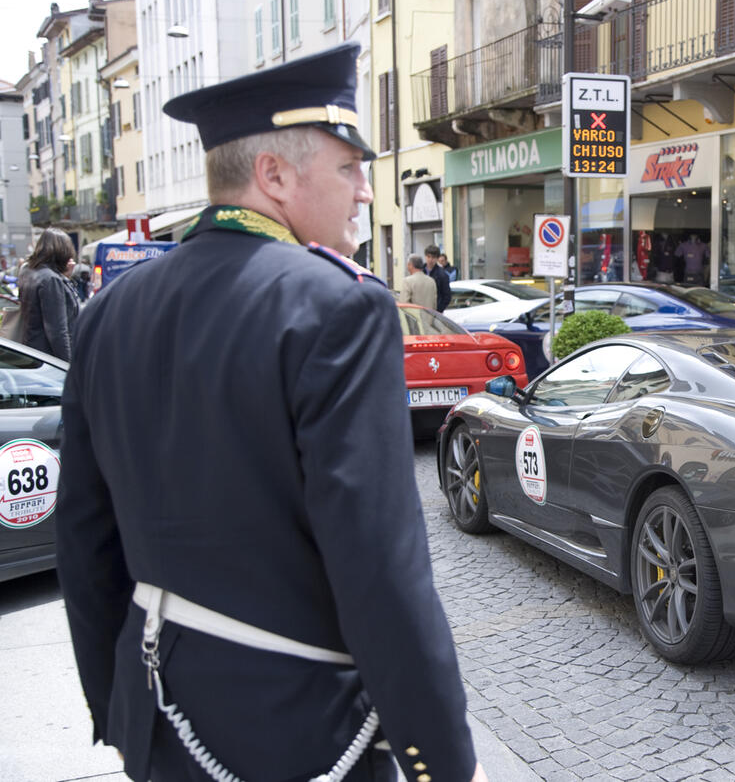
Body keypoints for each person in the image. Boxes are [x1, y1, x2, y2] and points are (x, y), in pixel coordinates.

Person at [56, 42, 486, 782]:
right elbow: (381, 566)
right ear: (274, 175)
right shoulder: (337, 306)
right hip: (303, 733)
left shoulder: (108, 312)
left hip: (159, 721)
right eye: (349, 168)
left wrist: (120, 706)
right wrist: (441, 761)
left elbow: (85, 540)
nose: (363, 193)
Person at [18, 226, 79, 360]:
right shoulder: (51, 279)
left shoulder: (27, 271)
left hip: (31, 351)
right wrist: (69, 366)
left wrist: (64, 276)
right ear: (63, 251)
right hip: (49, 359)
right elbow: (58, 332)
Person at [425, 245, 451, 312]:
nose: (430, 260)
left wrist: (438, 310)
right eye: (428, 257)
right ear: (425, 256)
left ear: (437, 259)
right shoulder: (420, 271)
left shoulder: (442, 275)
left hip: (435, 311)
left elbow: (447, 296)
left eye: (433, 257)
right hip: (420, 309)